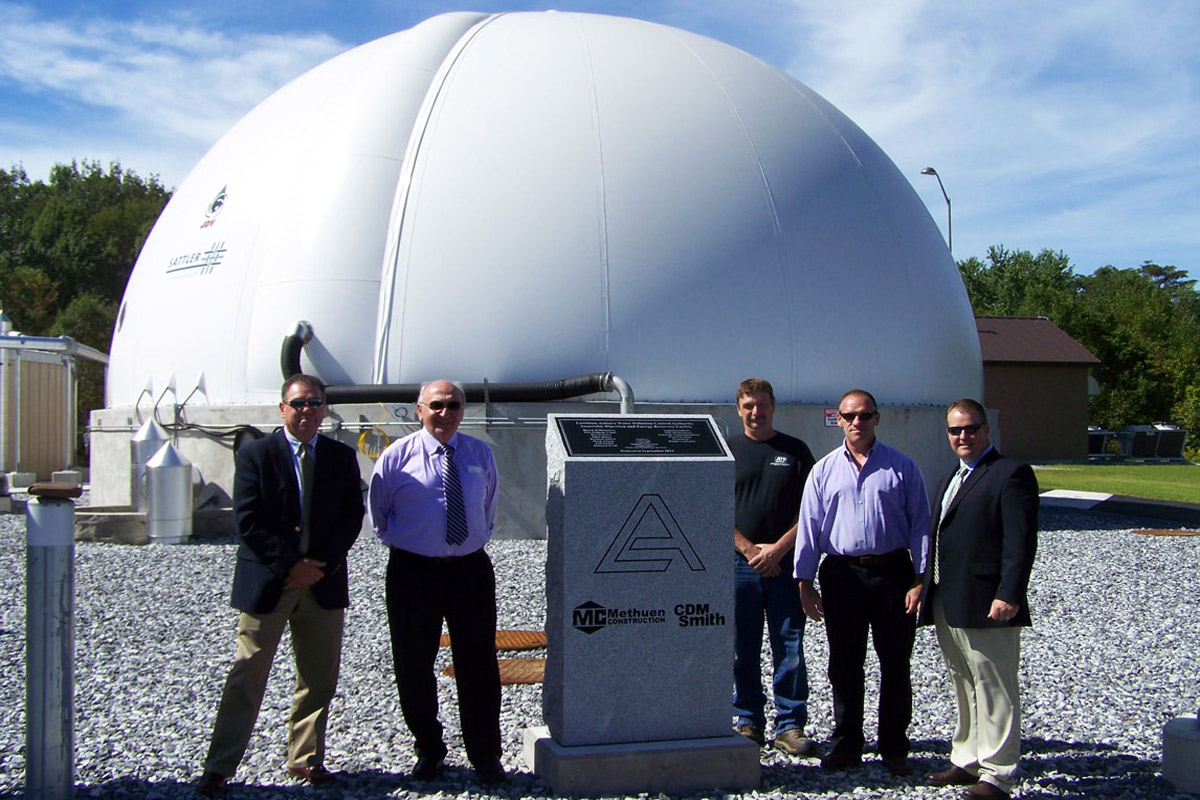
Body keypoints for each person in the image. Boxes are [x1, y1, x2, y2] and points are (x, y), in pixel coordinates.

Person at [195, 374, 364, 794]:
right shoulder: (256, 455)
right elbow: (248, 520)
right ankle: (220, 765)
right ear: (282, 408)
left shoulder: (340, 457)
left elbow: (351, 517)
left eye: (315, 403)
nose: (307, 411)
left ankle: (306, 760)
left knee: (319, 676)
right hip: (271, 581)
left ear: (325, 408)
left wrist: (318, 566)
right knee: (248, 674)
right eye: (299, 403)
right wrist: (292, 565)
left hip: (321, 583)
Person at [368, 379, 506, 786]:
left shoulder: (481, 454)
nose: (445, 413)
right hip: (414, 572)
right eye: (437, 405)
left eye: (454, 405)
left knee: (478, 664)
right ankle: (429, 749)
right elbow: (380, 516)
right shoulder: (396, 459)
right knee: (413, 663)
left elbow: (489, 508)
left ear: (464, 410)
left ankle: (485, 756)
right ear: (419, 410)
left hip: (469, 571)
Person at [794, 389, 930, 776]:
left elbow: (921, 525)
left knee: (895, 662)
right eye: (850, 416)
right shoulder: (823, 470)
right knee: (845, 663)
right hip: (842, 575)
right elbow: (809, 527)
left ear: (877, 419)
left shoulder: (902, 468)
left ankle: (894, 746)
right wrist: (803, 581)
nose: (858, 422)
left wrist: (921, 578)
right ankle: (847, 743)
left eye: (865, 415)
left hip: (893, 574)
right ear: (838, 419)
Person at [919, 399, 1038, 800]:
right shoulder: (951, 478)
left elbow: (1020, 542)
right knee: (963, 680)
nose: (963, 437)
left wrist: (1009, 593)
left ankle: (998, 773)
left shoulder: (1010, 474)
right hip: (948, 600)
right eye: (955, 431)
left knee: (995, 685)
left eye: (970, 428)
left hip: (989, 601)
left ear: (987, 430)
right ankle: (967, 758)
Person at [728, 378, 818, 756]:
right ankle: (748, 719)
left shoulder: (795, 451)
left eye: (761, 404)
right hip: (740, 566)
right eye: (748, 405)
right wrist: (750, 551)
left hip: (785, 565)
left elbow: (812, 509)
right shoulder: (727, 451)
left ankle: (790, 725)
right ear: (738, 409)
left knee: (790, 645)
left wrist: (778, 550)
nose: (755, 412)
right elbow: (713, 507)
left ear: (773, 406)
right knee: (741, 646)